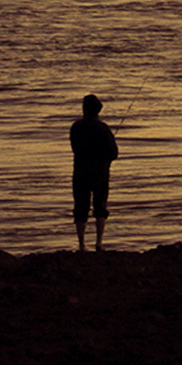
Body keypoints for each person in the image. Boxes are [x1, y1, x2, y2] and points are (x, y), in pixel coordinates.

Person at [70, 94, 119, 252]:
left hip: (80, 172)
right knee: (100, 206)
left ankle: (82, 244)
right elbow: (114, 153)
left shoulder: (75, 127)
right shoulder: (103, 129)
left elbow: (75, 148)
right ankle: (98, 242)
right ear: (98, 110)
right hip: (100, 172)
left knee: (80, 207)